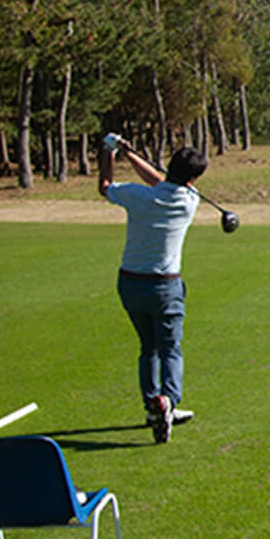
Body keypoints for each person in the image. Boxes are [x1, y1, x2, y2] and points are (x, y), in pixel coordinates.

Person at [98, 134, 209, 443]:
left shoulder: (139, 197)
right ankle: (168, 403)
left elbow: (106, 187)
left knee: (147, 347)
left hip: (130, 283)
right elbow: (163, 181)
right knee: (169, 347)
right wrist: (131, 156)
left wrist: (111, 152)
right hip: (165, 287)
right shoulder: (190, 200)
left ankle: (152, 406)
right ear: (194, 178)